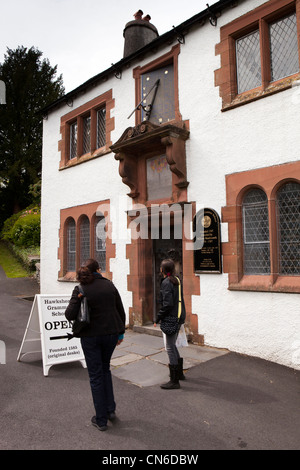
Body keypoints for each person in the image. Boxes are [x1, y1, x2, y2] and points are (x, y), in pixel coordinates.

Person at [65, 259, 125, 431]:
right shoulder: (109, 285)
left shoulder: (80, 289)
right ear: (98, 269)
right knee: (105, 370)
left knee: (96, 376)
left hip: (91, 337)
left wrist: (77, 300)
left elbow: (69, 315)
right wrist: (120, 333)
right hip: (111, 335)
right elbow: (119, 310)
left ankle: (100, 420)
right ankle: (110, 410)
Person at [154, 258, 186, 389]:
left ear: (162, 269)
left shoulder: (167, 282)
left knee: (169, 347)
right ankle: (179, 374)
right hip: (178, 316)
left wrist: (158, 318)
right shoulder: (176, 280)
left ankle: (174, 381)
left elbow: (167, 304)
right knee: (172, 345)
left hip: (171, 317)